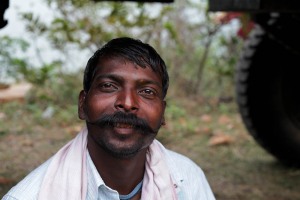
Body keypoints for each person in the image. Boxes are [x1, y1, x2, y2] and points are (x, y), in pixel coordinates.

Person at [2, 37, 215, 200]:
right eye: (109, 86)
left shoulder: (188, 179)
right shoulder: (31, 195)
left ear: (163, 114)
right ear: (82, 105)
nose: (128, 102)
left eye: (147, 91)